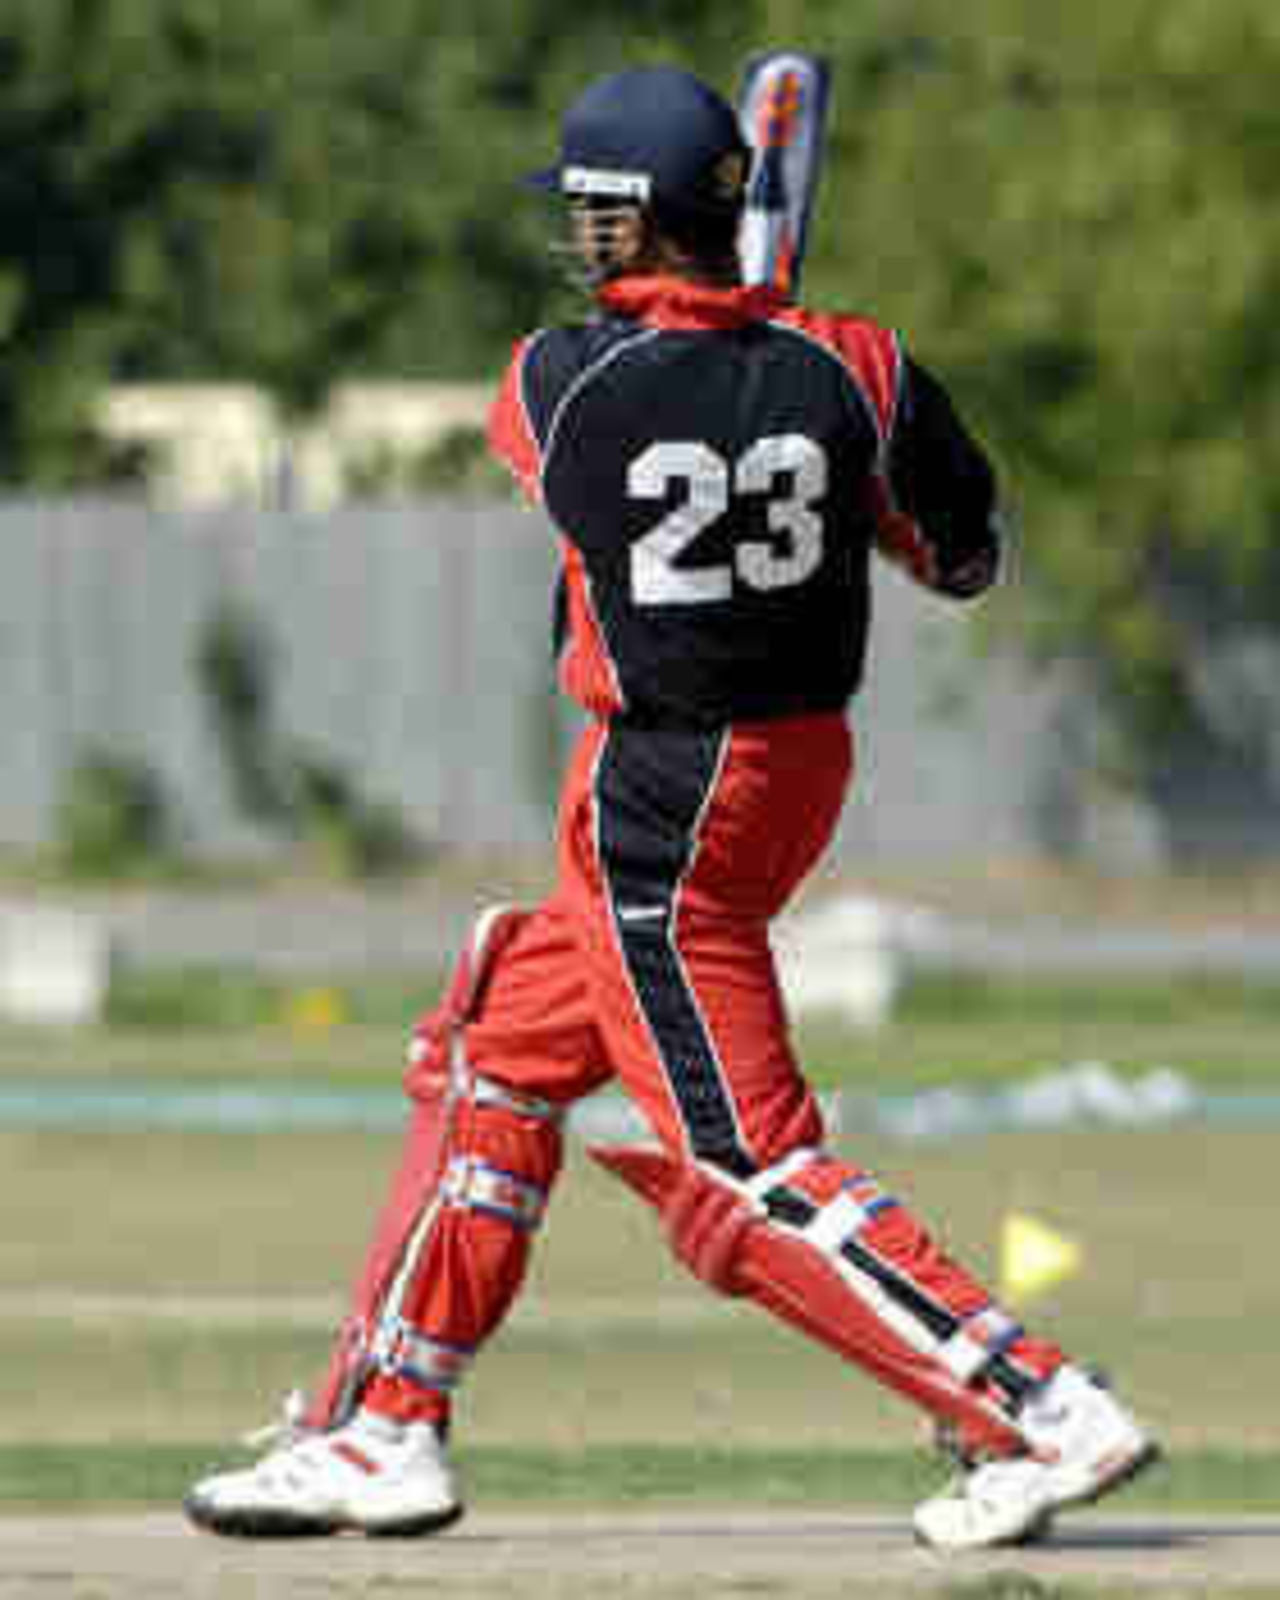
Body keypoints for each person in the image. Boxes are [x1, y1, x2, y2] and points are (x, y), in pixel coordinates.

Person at [184, 64, 1156, 1550]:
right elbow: (961, 558)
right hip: (790, 770)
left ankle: (1033, 1403)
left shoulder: (557, 384)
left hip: (660, 800)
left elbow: (593, 450)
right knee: (496, 1054)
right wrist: (785, 352)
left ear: (628, 226)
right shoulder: (865, 370)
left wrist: (726, 345)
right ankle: (381, 1427)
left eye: (590, 216)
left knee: (742, 1157)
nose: (576, 240)